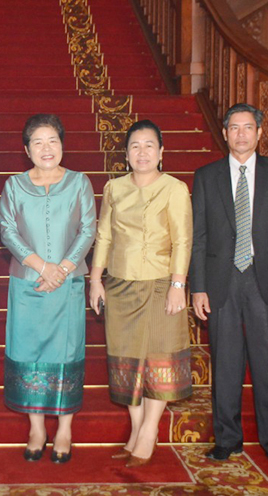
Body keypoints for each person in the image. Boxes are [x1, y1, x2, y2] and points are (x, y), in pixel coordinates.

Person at [190, 102, 268, 471]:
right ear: (224, 133)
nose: (241, 134)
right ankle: (227, 439)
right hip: (221, 280)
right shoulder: (206, 176)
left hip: (264, 278)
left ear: (259, 132)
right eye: (234, 127)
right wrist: (198, 287)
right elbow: (199, 236)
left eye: (248, 127)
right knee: (225, 363)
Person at [88, 119, 193, 468]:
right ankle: (135, 430)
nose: (142, 152)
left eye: (149, 145)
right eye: (135, 146)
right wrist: (96, 279)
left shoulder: (174, 189)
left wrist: (178, 285)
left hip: (161, 284)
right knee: (127, 361)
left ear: (161, 152)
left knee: (159, 359)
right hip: (120, 286)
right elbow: (104, 236)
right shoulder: (114, 188)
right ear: (126, 153)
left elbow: (183, 241)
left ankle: (149, 431)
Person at [0, 114, 96, 464]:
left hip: (68, 285)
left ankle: (65, 428)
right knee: (29, 351)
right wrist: (43, 267)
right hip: (28, 284)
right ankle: (37, 428)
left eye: (53, 140)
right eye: (37, 142)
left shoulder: (79, 182)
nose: (46, 148)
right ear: (27, 150)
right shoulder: (14, 186)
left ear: (62, 144)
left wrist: (63, 269)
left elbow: (88, 229)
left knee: (67, 353)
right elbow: (7, 231)